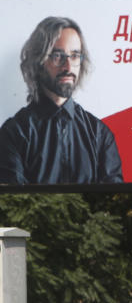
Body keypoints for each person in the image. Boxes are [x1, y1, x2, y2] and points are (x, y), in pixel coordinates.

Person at [0, 16, 123, 184]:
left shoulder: (100, 135)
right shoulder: (14, 133)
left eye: (74, 56)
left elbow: (113, 200)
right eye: (58, 56)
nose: (68, 66)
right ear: (39, 61)